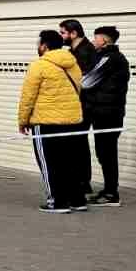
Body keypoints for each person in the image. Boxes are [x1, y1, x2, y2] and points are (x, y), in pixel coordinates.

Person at [18, 29, 89, 214]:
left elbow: (28, 96)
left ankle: (57, 202)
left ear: (44, 45)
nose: (38, 46)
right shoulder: (72, 64)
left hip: (46, 122)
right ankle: (77, 200)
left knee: (49, 164)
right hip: (73, 121)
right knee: (72, 162)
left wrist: (23, 120)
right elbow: (79, 89)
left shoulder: (39, 65)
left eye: (39, 43)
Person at [82, 26, 130, 207]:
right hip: (106, 113)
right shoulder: (110, 58)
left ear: (104, 40)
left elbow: (87, 82)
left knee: (107, 153)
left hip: (107, 114)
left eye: (96, 39)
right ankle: (109, 190)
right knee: (105, 152)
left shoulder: (111, 58)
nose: (94, 41)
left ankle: (111, 193)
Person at [58, 18, 98, 199]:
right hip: (77, 104)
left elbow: (83, 80)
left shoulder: (86, 52)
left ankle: (82, 183)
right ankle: (80, 182)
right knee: (76, 143)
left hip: (85, 105)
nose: (61, 36)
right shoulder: (73, 51)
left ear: (73, 33)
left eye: (63, 33)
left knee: (78, 143)